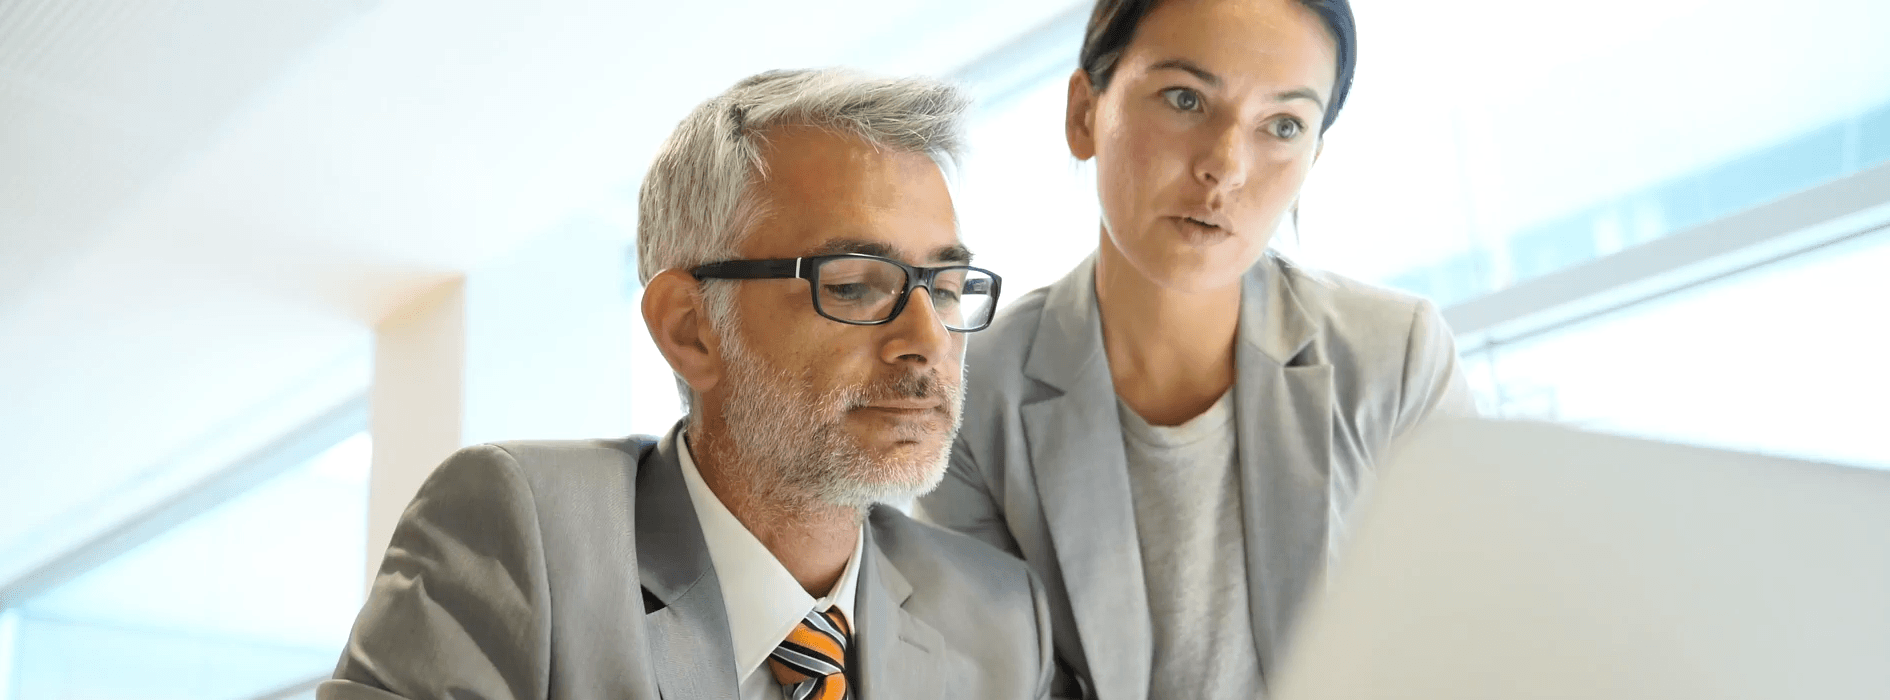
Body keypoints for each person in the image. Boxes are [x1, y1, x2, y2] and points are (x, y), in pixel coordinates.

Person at [322, 68, 1054, 700]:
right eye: (857, 285)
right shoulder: (523, 534)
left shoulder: (997, 615)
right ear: (689, 328)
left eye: (948, 287)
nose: (927, 341)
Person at [918, 1, 1473, 698]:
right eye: (1185, 98)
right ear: (1084, 113)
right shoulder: (976, 398)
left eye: (1283, 125)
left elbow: (1462, 649)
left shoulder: (1398, 360)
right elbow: (1000, 682)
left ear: (1313, 158)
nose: (1226, 167)